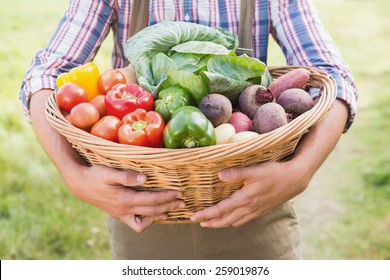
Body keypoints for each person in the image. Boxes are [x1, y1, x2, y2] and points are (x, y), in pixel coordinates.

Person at [20, 0, 357, 260]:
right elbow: (46, 75)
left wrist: (301, 169)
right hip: (144, 214)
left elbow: (332, 76)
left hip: (255, 206)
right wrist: (73, 174)